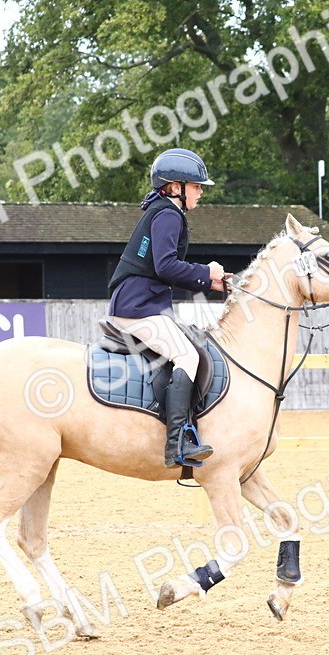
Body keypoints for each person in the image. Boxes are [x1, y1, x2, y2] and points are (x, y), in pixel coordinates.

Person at [107, 148, 230, 468]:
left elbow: (164, 268)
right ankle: (177, 445)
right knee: (187, 355)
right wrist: (207, 273)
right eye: (197, 186)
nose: (201, 193)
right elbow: (165, 266)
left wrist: (211, 283)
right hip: (138, 307)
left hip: (142, 301)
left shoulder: (162, 211)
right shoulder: (168, 214)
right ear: (176, 187)